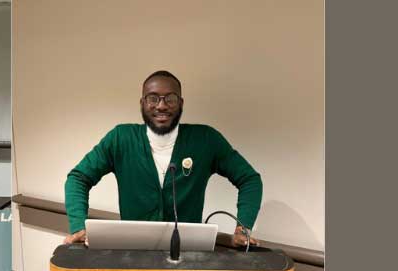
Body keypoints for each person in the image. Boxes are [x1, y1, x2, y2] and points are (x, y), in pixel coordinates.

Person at [63, 70, 262, 247]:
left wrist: (242, 229)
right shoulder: (120, 139)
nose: (161, 105)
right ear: (142, 103)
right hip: (132, 253)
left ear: (181, 103)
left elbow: (249, 179)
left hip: (188, 254)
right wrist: (78, 225)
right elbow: (79, 178)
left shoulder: (205, 140)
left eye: (170, 98)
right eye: (153, 98)